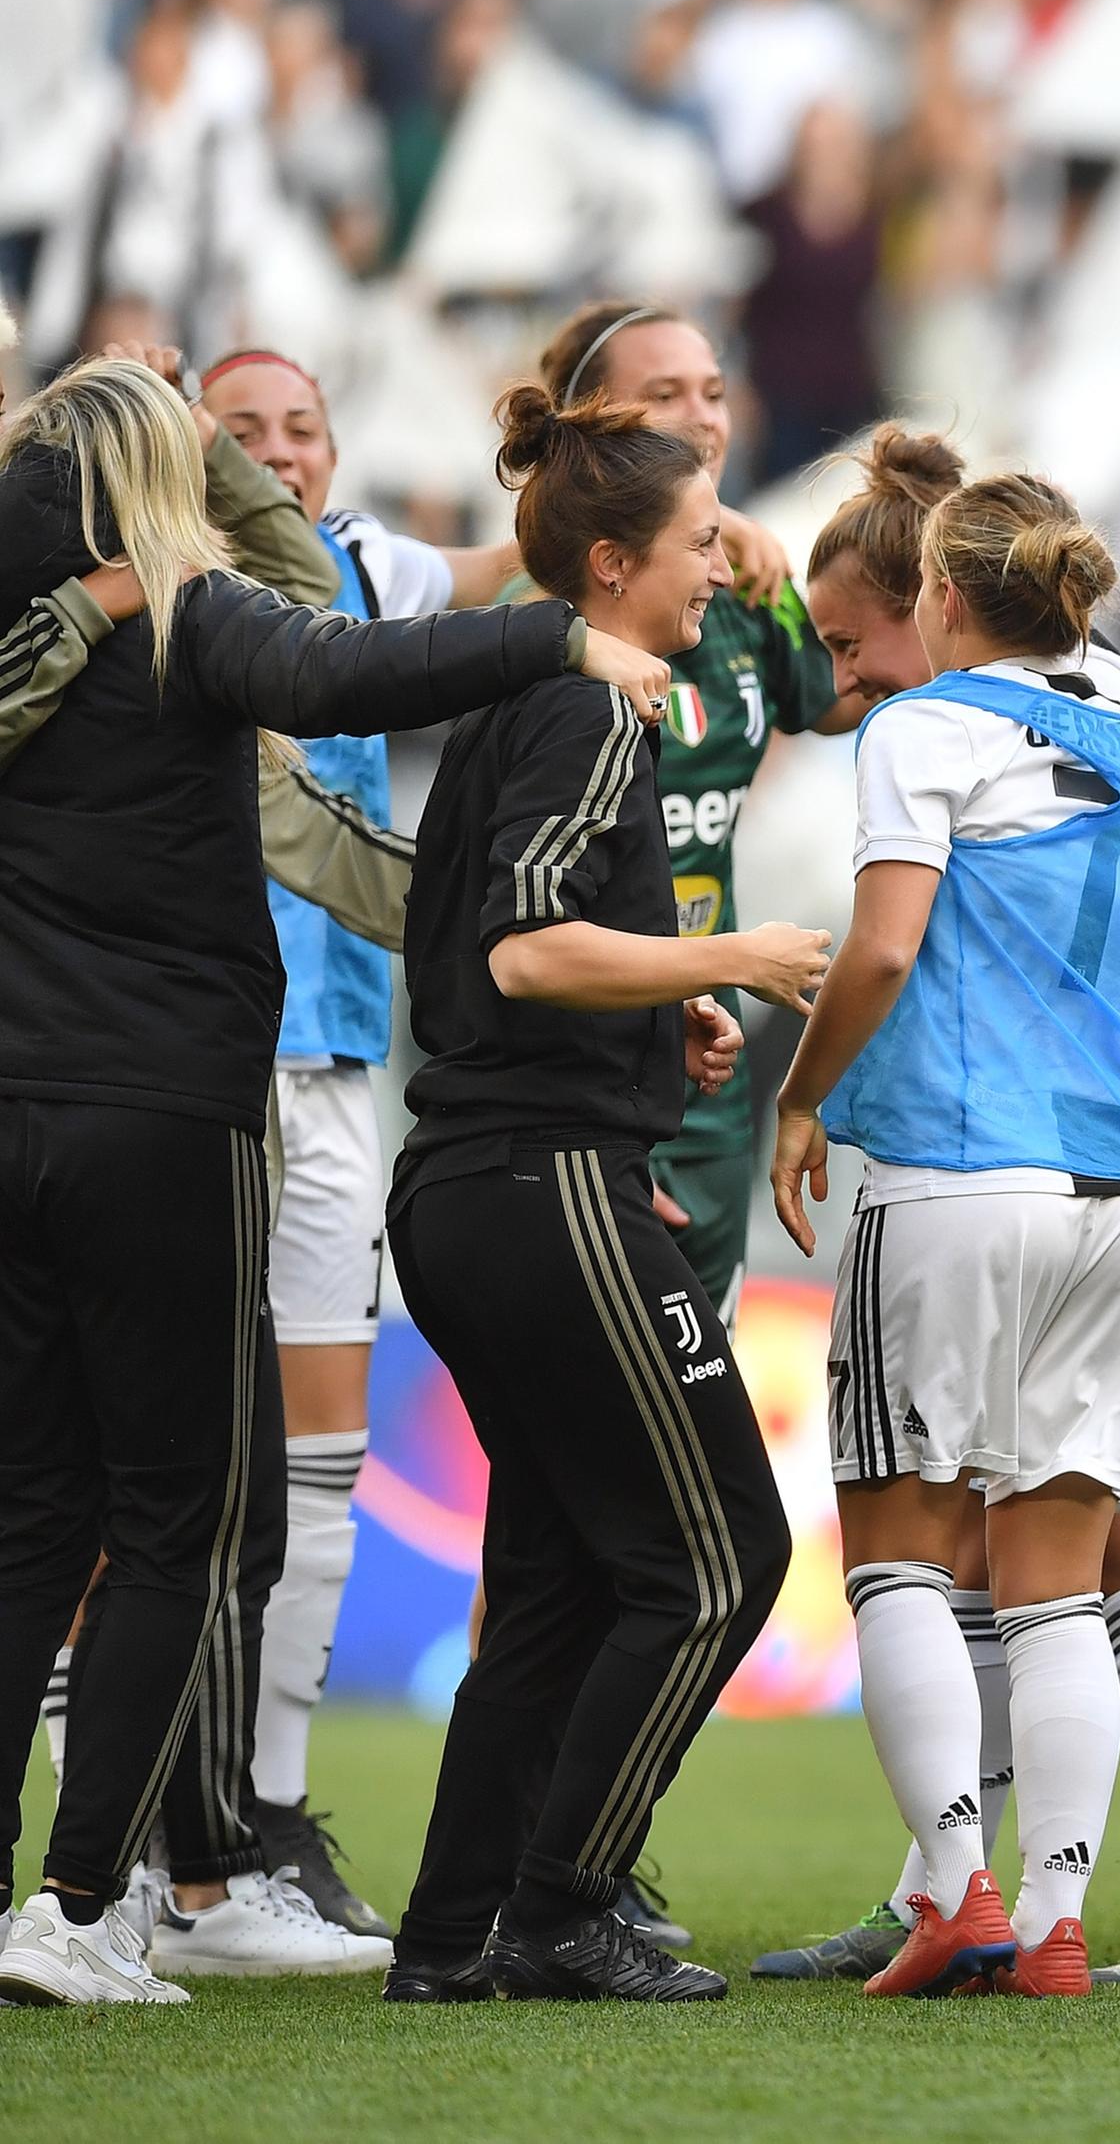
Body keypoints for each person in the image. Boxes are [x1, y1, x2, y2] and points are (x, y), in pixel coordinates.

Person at [0, 358, 632, 2009]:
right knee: (181, 1523)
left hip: (14, 1115)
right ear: (167, 474)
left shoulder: (28, 628)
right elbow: (349, 657)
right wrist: (559, 630)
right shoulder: (185, 621)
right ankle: (84, 1909)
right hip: (168, 1112)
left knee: (27, 1517)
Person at [357, 378, 824, 2006]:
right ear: (614, 560)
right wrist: (733, 955)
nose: (722, 568)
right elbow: (524, 943)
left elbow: (508, 936)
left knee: (559, 1576)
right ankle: (562, 1905)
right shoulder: (575, 702)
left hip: (479, 1176)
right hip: (541, 1181)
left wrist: (654, 1012)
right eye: (701, 541)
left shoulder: (514, 699)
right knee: (716, 1558)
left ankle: (449, 1930)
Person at [768, 470, 1120, 1999]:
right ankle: (1056, 1922)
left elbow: (889, 936)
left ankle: (958, 1891)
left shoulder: (925, 725)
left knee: (902, 1550)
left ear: (940, 596)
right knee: (1059, 1570)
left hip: (956, 1169)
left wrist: (804, 1098)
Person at [531, 297, 852, 1952]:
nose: (705, 415)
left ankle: (571, 1853)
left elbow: (827, 702)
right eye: (663, 393)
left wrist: (787, 573)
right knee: (621, 1485)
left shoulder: (727, 591)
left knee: (642, 1471)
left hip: (706, 1079)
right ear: (589, 426)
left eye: (716, 388)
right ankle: (559, 1856)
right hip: (592, 1063)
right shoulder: (555, 607)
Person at [194, 346, 519, 1942]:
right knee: (163, 1467)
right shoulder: (167, 594)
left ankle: (261, 1812)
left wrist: (670, 470)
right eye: (240, 431)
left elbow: (527, 553)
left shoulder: (366, 569)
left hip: (330, 1070)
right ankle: (138, 1841)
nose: (279, 453)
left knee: (319, 1467)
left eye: (301, 429)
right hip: (186, 1062)